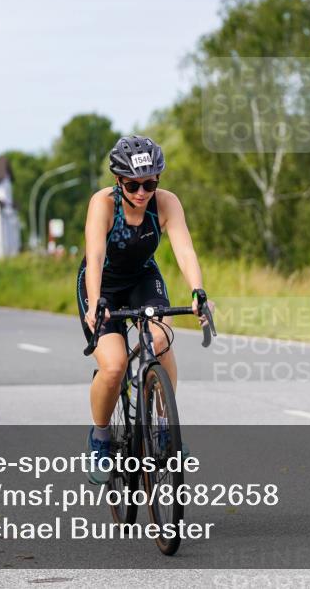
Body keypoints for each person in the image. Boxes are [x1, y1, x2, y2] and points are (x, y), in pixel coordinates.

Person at [77, 136, 212, 485]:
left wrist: (198, 291)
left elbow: (184, 251)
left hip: (142, 279)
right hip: (102, 285)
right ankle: (101, 437)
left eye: (150, 183)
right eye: (133, 184)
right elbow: (94, 257)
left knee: (161, 339)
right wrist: (95, 305)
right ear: (118, 181)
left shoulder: (166, 204)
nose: (141, 192)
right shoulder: (103, 204)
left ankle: (166, 426)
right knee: (114, 365)